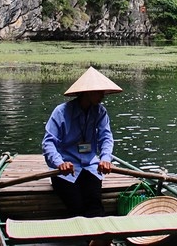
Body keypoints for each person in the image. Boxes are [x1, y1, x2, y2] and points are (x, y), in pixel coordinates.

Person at [42, 66, 123, 235]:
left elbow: (106, 138)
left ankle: (99, 239)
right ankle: (95, 240)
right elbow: (49, 143)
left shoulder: (100, 111)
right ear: (87, 92)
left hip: (90, 167)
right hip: (66, 170)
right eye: (99, 92)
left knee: (95, 203)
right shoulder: (61, 112)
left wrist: (105, 158)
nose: (102, 96)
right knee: (77, 206)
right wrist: (60, 163)